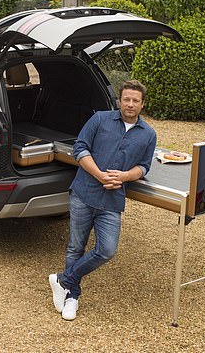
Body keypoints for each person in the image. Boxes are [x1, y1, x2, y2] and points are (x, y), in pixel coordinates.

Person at [49, 80, 157, 321]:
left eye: (135, 101)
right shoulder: (99, 119)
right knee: (76, 248)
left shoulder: (148, 134)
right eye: (126, 99)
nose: (130, 104)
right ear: (119, 101)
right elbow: (80, 149)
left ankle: (62, 280)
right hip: (84, 193)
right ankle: (72, 297)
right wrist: (99, 175)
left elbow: (145, 166)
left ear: (142, 104)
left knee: (107, 250)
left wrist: (125, 176)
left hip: (112, 201)